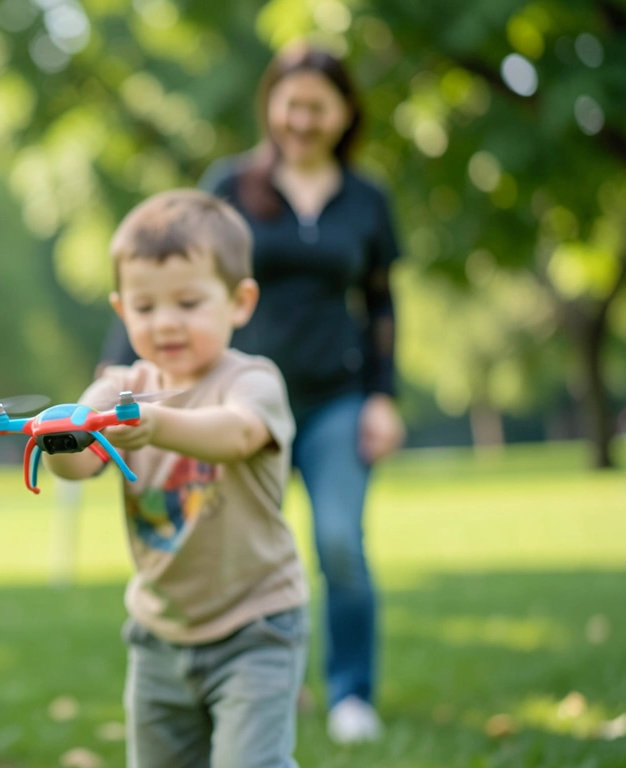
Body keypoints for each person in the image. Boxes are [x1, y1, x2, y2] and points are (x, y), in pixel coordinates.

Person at [99, 45, 405, 743]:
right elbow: (166, 271)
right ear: (270, 105)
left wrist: (383, 396)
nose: (301, 119)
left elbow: (382, 304)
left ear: (345, 112)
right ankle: (263, 677)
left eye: (317, 106)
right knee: (236, 537)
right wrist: (112, 377)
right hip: (220, 396)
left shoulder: (367, 200)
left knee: (340, 542)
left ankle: (350, 693)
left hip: (331, 398)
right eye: (290, 103)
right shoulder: (232, 185)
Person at [46, 189, 309, 767]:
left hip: (256, 625)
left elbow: (237, 434)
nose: (165, 322)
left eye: (188, 302)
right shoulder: (119, 387)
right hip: (159, 634)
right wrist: (58, 438)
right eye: (144, 308)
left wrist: (158, 424)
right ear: (122, 311)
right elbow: (78, 463)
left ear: (239, 302)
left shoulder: (253, 381)